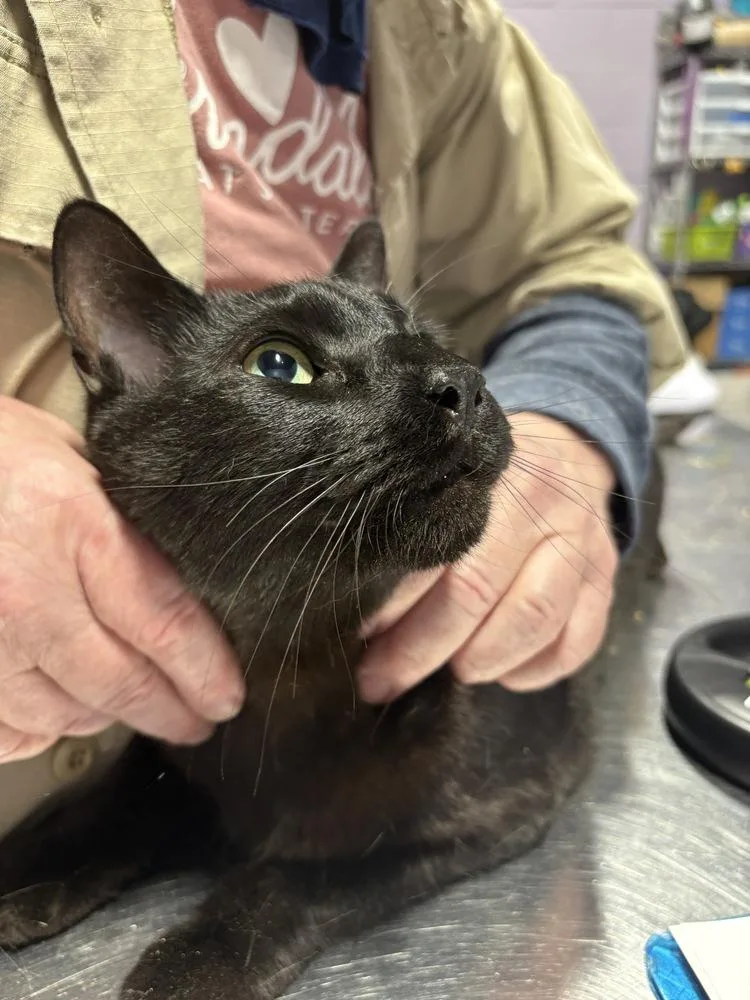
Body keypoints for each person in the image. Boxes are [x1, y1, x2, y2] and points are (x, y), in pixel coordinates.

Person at [0, 0, 687, 834]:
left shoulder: (452, 30)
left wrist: (568, 420)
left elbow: (577, 264)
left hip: (313, 763)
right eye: (280, 365)